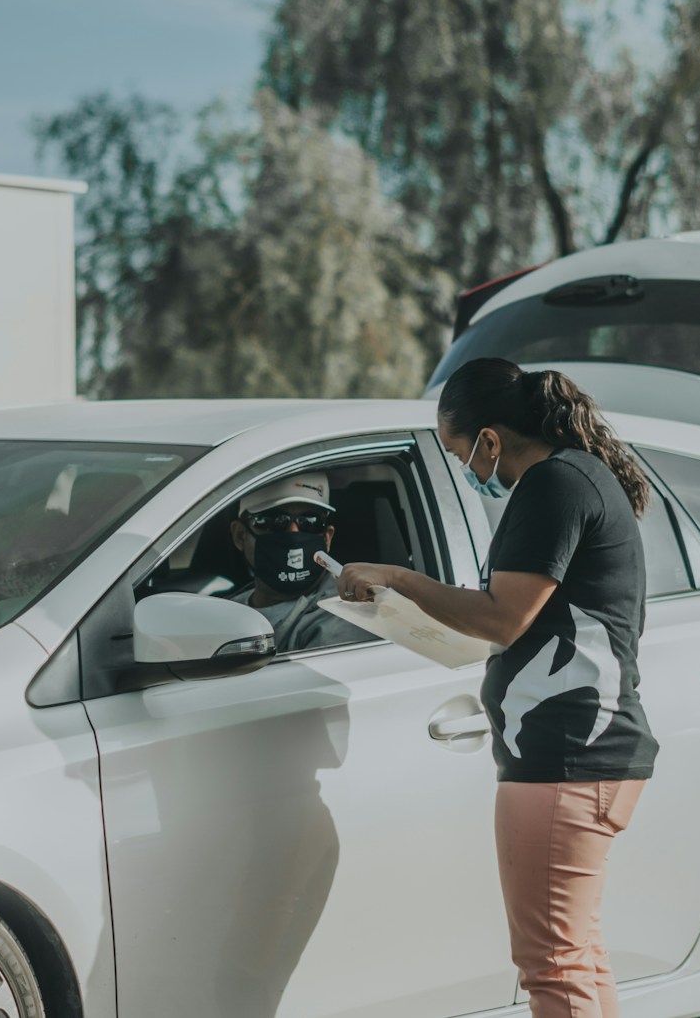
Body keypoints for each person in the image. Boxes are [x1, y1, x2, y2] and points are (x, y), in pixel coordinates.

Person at [335, 358, 656, 1018]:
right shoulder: (578, 476)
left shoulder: (552, 485)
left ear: (490, 437)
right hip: (587, 752)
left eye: (460, 454)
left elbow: (503, 616)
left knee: (554, 967)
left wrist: (397, 578)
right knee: (579, 954)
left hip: (565, 756)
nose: (467, 470)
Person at [228, 471, 365, 653]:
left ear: (327, 538)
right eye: (275, 520)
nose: (293, 533)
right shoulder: (227, 609)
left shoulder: (341, 617)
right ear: (240, 535)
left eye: (310, 521)